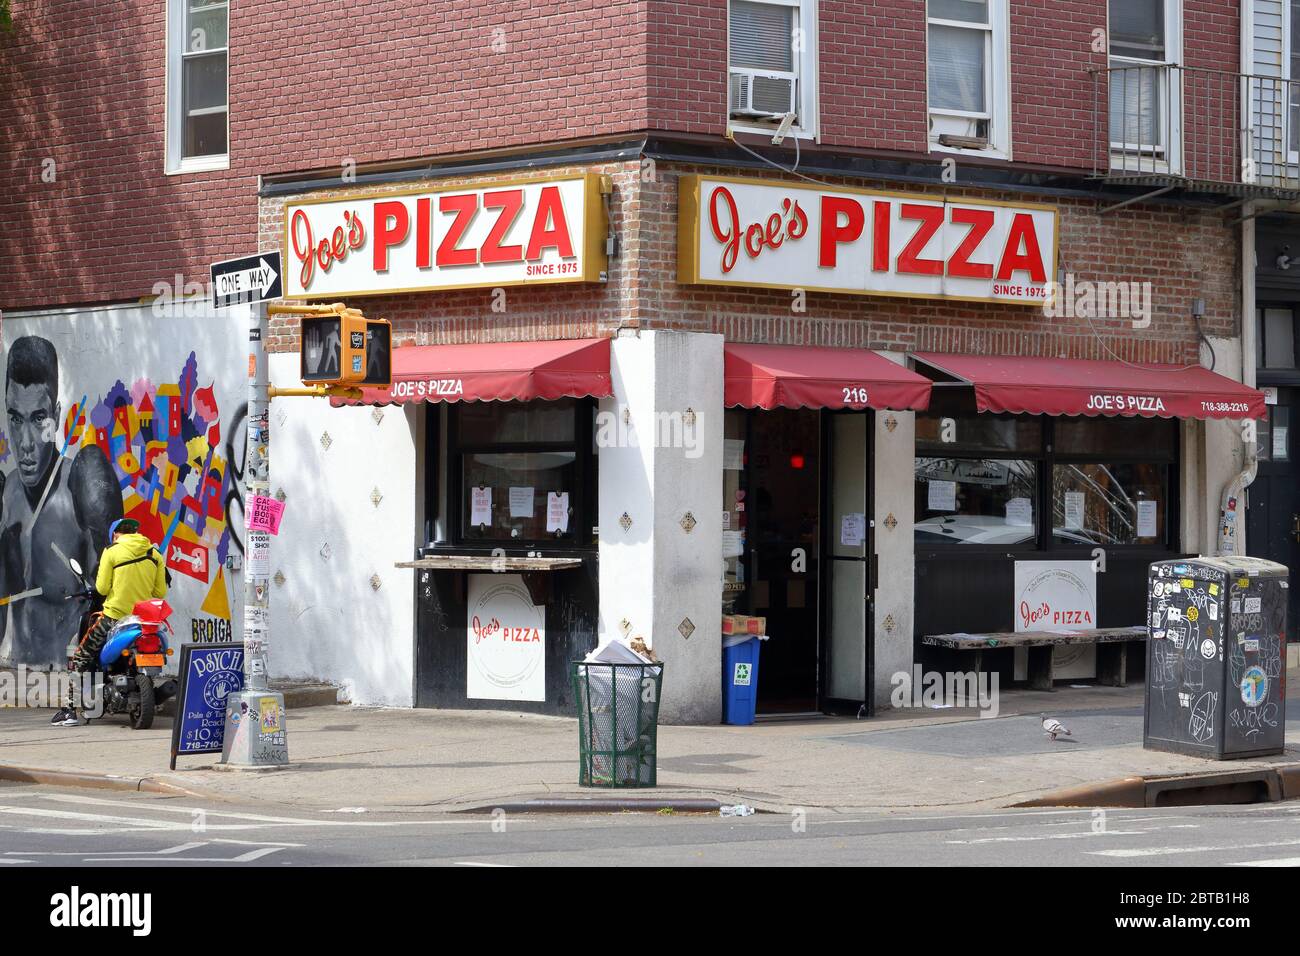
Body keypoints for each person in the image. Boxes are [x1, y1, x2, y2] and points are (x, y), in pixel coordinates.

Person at [1, 335, 121, 665]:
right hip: (16, 679)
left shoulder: (80, 485)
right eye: (15, 418)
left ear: (55, 415)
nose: (24, 443)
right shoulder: (5, 494)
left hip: (67, 679)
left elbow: (112, 594)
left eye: (38, 418)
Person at [50, 518, 167, 726]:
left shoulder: (111, 552)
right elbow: (160, 592)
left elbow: (102, 589)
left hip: (114, 617)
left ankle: (69, 710)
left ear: (115, 535)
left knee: (81, 656)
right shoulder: (154, 554)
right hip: (145, 620)